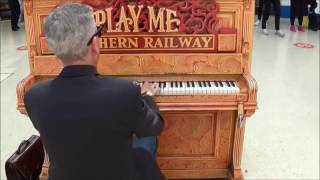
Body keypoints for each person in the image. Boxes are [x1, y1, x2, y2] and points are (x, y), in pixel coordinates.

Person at [24, 3, 165, 180]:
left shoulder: (34, 97)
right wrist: (147, 96)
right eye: (98, 32)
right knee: (146, 136)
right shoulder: (124, 92)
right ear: (95, 44)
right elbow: (155, 126)